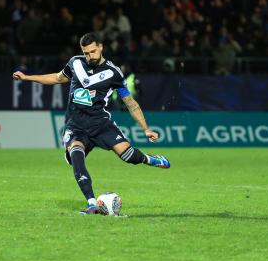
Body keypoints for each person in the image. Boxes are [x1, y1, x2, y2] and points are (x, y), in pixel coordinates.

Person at [13, 32, 170, 214]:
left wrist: (146, 129)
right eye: (86, 53)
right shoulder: (75, 63)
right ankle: (92, 203)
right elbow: (57, 78)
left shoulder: (114, 73)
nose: (89, 56)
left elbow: (130, 103)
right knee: (76, 156)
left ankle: (150, 159)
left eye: (93, 52)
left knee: (128, 156)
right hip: (76, 125)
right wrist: (27, 77)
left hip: (101, 124)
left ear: (101, 47)